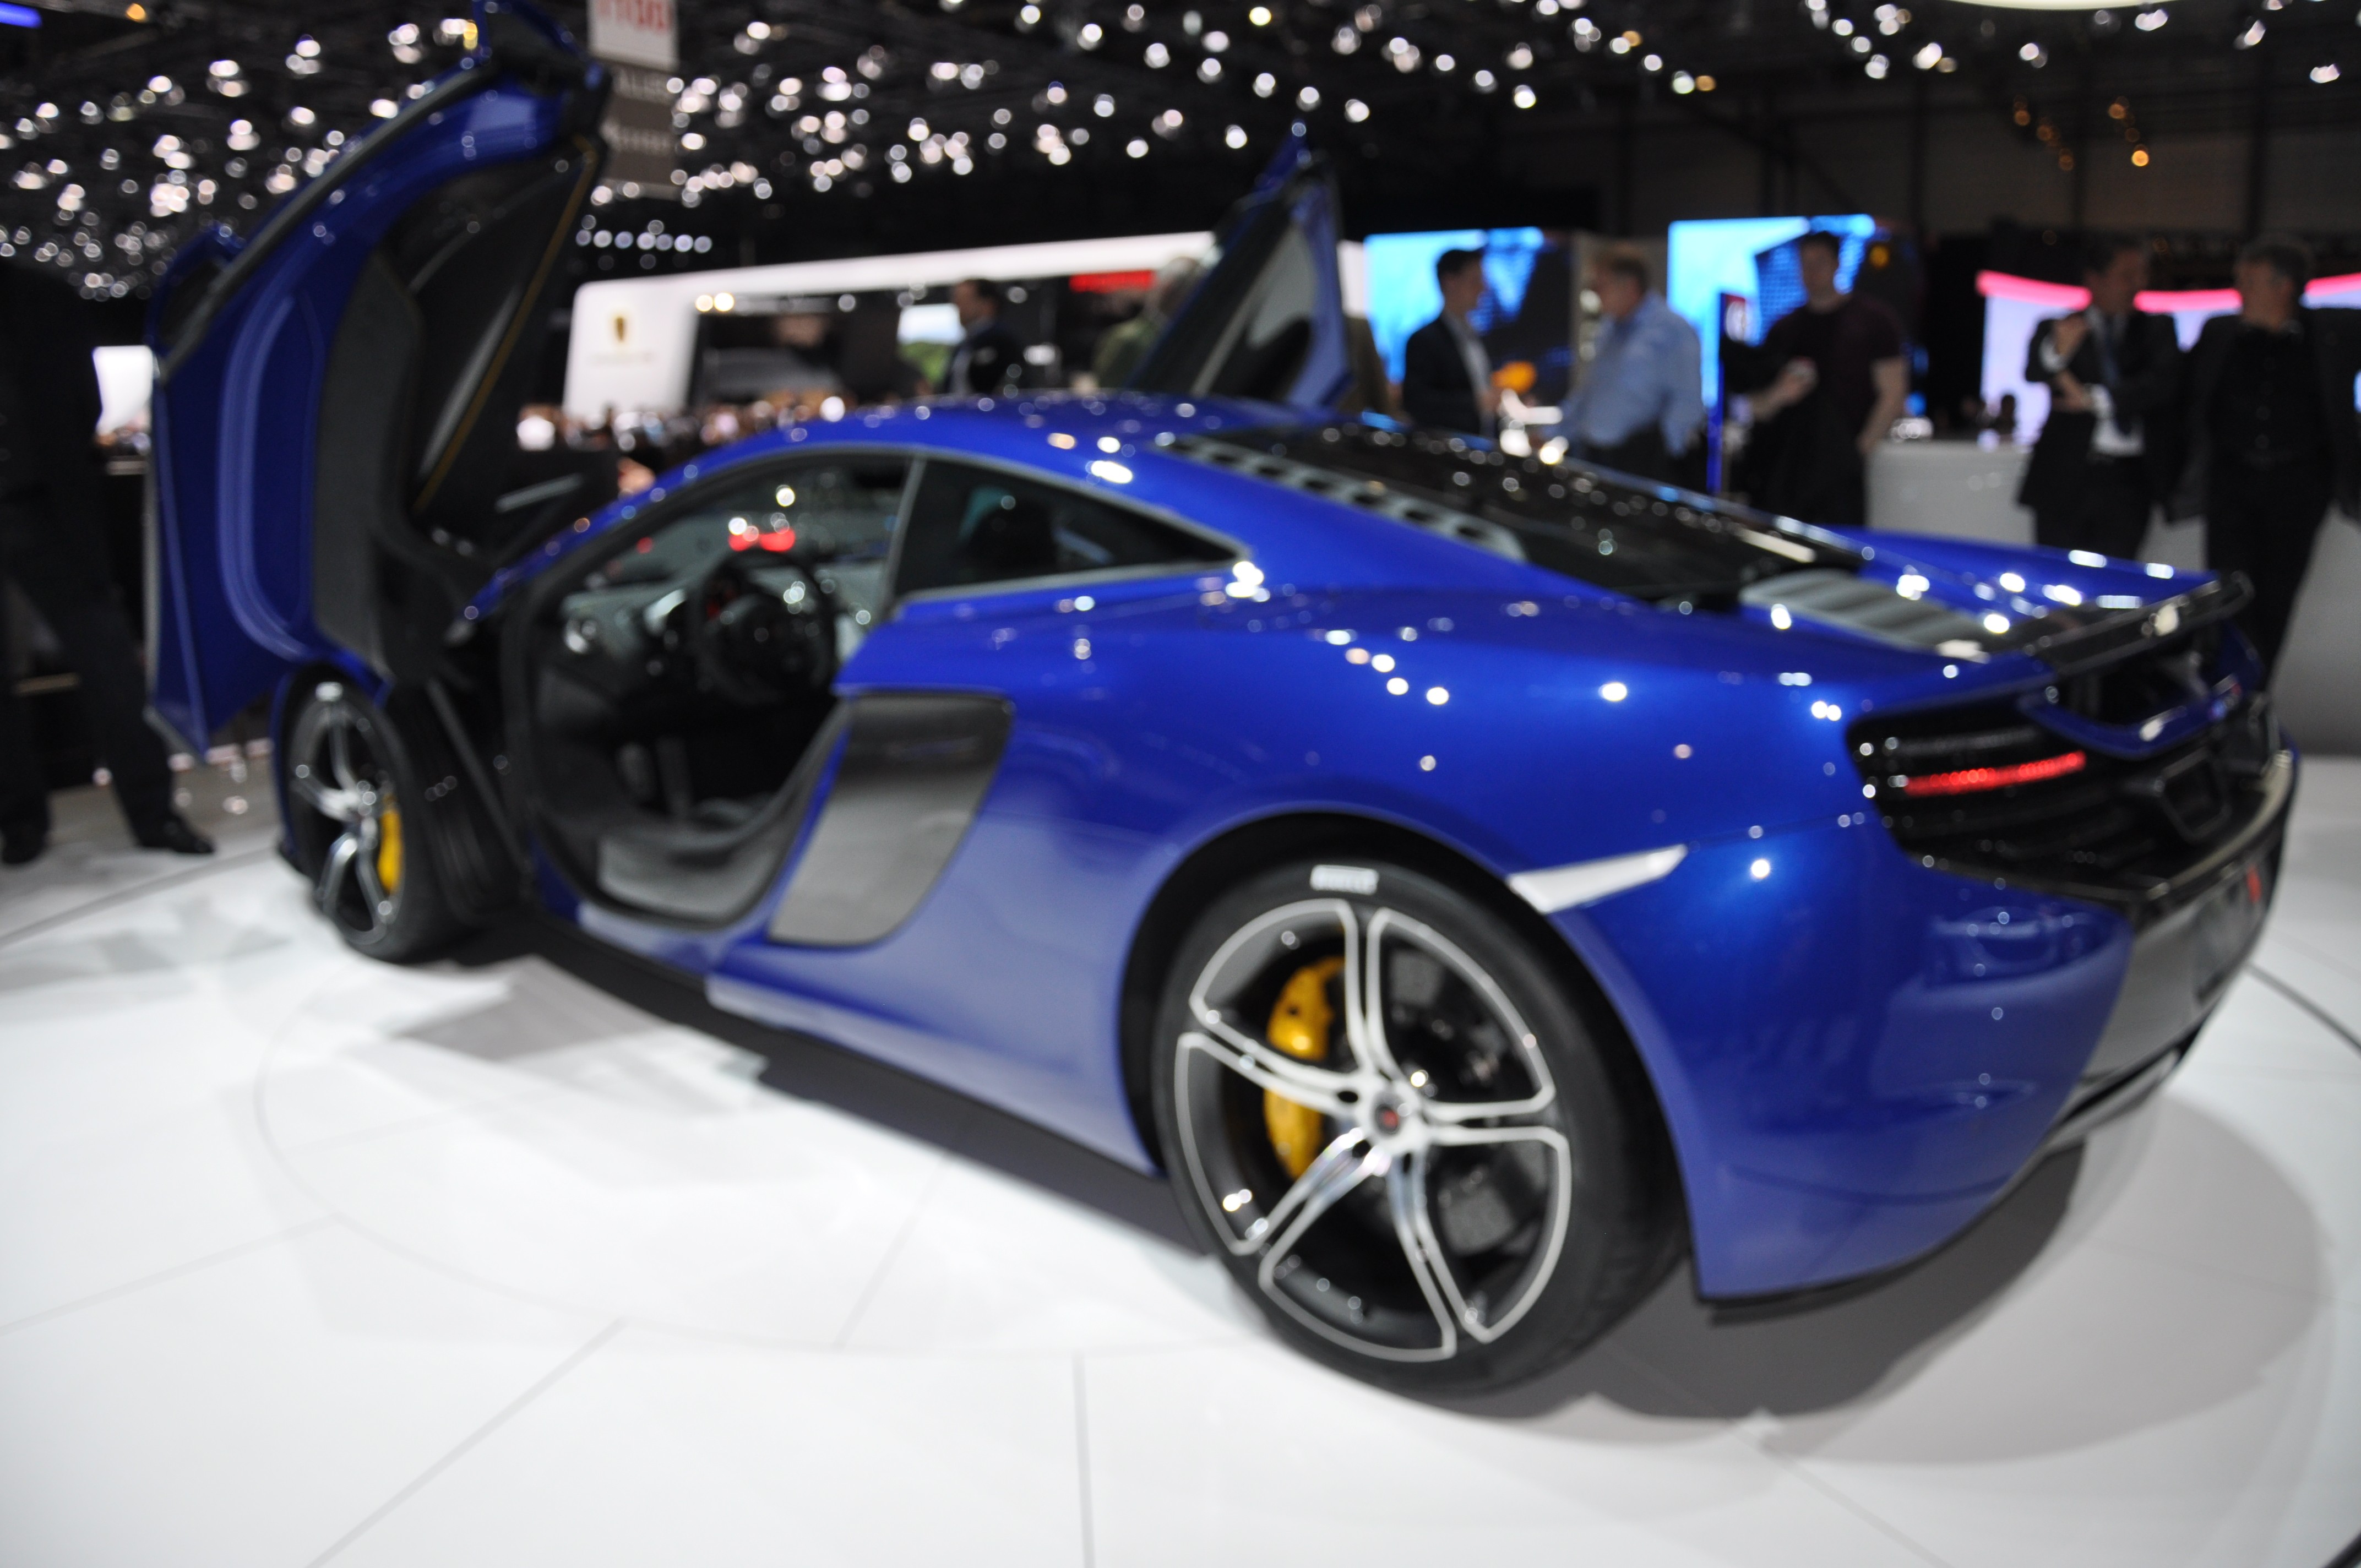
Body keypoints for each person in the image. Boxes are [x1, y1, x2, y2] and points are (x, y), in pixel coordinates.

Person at [0, 266, 211, 866]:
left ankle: (154, 812)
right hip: (39, 501)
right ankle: (18, 820)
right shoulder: (42, 296)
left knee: (110, 666)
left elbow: (81, 399)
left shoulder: (42, 298)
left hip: (48, 508)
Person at [2179, 234, 2361, 677]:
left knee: (2277, 597)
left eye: (2250, 281)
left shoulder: (2333, 333)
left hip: (2298, 487)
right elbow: (2181, 394)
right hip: (2232, 483)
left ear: (2285, 287)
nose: (2239, 290)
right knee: (2227, 594)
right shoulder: (2221, 333)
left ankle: (2254, 694)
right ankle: (2224, 691)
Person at [2017, 235, 2182, 560]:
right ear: (2094, 279)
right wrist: (2058, 352)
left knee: (2117, 576)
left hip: (2128, 480)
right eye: (2127, 276)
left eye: (2142, 274)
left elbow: (2162, 385)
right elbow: (2035, 370)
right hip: (2067, 477)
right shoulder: (2060, 327)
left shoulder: (2157, 329)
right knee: (2057, 574)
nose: (2138, 284)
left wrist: (2097, 400)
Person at [1737, 231, 1910, 526]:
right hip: (1789, 470)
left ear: (1837, 264)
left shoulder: (1874, 321)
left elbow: (1894, 392)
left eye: (1820, 262)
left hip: (1841, 470)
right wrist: (1779, 394)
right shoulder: (1784, 329)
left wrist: (1859, 451)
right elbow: (1755, 406)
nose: (1812, 272)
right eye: (1805, 264)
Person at [1565, 247, 1705, 484]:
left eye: (1601, 285)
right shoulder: (1609, 328)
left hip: (1639, 467)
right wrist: (1555, 431)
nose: (1595, 293)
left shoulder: (1672, 329)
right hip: (1593, 459)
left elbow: (1688, 402)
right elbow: (1590, 391)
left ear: (1629, 287)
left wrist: (1660, 458)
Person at [1400, 248, 1497, 437]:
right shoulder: (1424, 340)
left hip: (1485, 445)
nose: (1483, 289)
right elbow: (1417, 403)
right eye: (1475, 281)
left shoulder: (1479, 337)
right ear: (1450, 282)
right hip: (1449, 447)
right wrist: (1474, 403)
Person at [1094, 257, 1201, 388]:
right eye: (1193, 290)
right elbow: (1110, 392)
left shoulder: (1130, 336)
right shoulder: (1128, 340)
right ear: (1169, 288)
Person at [945, 277, 1027, 398]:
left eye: (965, 300)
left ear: (988, 304)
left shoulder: (1002, 341)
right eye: (956, 300)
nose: (958, 306)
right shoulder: (963, 345)